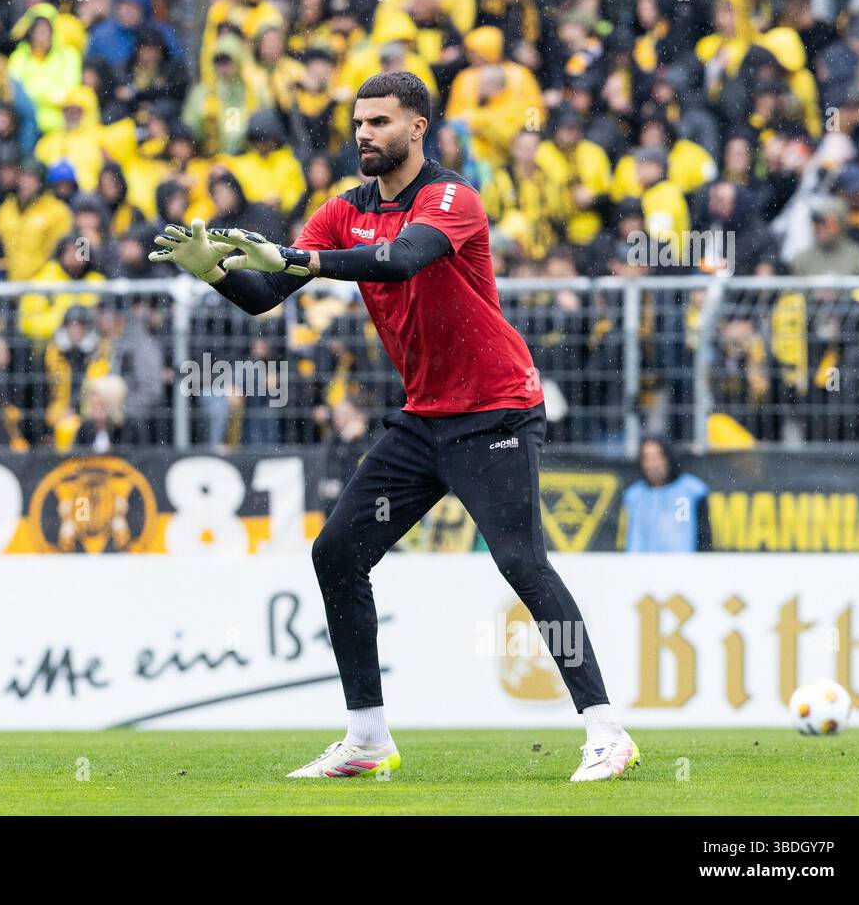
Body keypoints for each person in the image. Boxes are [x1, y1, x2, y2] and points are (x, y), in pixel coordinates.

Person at [151, 71, 637, 782]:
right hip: (424, 418)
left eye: (380, 122)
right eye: (358, 123)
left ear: (417, 127)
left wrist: (301, 257)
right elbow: (263, 296)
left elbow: (404, 259)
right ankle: (368, 739)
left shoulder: (451, 197)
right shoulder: (340, 211)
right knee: (337, 553)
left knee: (520, 562)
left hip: (495, 408)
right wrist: (213, 273)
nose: (364, 135)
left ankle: (606, 730)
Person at [620, 437, 712, 552]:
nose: (653, 465)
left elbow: (704, 539)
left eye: (657, 457)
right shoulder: (634, 495)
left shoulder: (692, 491)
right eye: (647, 458)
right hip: (643, 568)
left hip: (683, 568)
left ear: (668, 458)